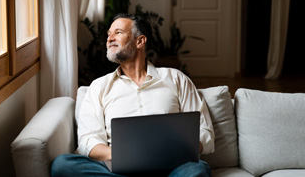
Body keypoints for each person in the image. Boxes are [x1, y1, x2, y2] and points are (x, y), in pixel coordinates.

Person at [51, 13, 215, 177]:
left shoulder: (176, 79)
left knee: (197, 169)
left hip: (170, 169)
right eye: (108, 34)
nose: (109, 38)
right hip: (118, 169)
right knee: (62, 165)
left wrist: (172, 152)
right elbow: (89, 142)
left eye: (118, 32)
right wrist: (125, 155)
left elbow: (204, 132)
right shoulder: (99, 87)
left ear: (140, 41)